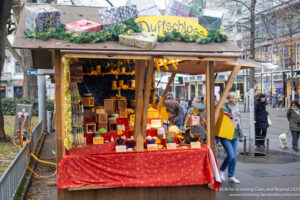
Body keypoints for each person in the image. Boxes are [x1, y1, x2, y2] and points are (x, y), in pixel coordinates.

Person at [219, 92, 243, 184]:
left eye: (237, 99)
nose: (236, 100)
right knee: (231, 155)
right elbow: (220, 119)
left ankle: (231, 175)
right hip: (225, 135)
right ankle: (222, 170)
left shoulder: (237, 108)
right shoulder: (224, 108)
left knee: (234, 157)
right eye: (234, 99)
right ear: (229, 99)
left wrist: (241, 134)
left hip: (234, 134)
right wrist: (229, 116)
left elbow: (239, 122)